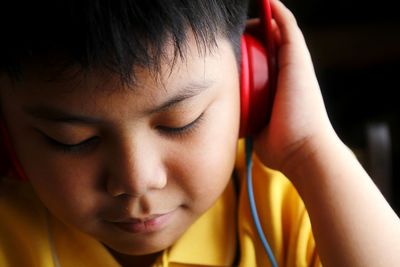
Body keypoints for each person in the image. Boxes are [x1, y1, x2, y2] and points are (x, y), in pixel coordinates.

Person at [0, 0, 399, 266]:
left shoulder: (294, 203)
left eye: (181, 121)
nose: (136, 181)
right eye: (72, 140)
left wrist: (308, 150)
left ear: (254, 83)